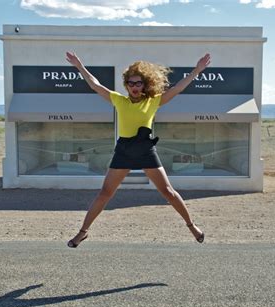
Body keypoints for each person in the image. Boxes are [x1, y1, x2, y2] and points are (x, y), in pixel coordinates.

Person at [65, 51, 211, 248]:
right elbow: (95, 85)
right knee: (105, 193)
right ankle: (82, 233)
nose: (134, 87)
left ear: (145, 85)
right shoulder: (119, 100)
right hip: (124, 150)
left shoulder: (153, 101)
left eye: (138, 83)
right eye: (131, 83)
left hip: (145, 150)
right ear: (126, 85)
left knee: (168, 191)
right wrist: (79, 66)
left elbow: (177, 88)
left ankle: (192, 226)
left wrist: (197, 70)